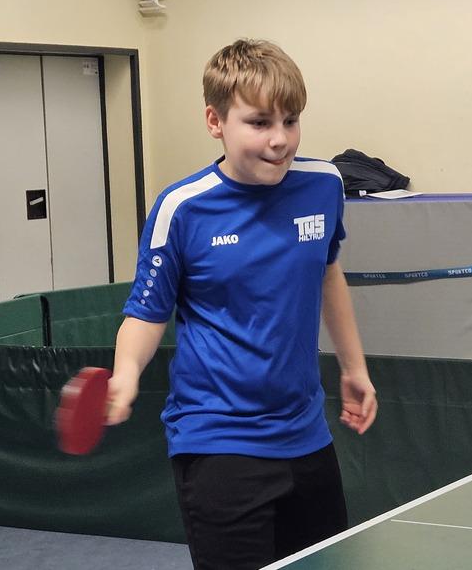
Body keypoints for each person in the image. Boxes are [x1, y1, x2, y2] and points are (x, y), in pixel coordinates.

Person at [105, 38, 378, 569]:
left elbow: (327, 272)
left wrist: (354, 367)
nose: (280, 140)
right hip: (218, 441)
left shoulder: (323, 185)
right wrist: (126, 374)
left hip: (306, 435)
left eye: (291, 121)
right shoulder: (181, 209)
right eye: (259, 123)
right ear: (216, 121)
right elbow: (147, 311)